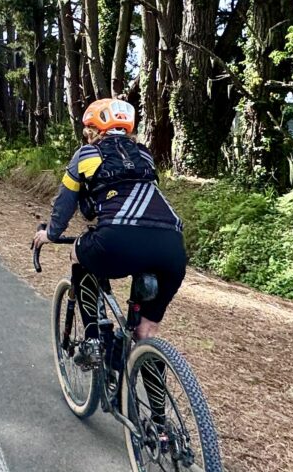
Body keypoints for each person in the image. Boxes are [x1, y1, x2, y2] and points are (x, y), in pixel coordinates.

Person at [30, 98, 187, 347]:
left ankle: (92, 338)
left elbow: (65, 202)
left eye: (87, 130)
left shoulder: (85, 154)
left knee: (78, 253)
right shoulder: (144, 155)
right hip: (172, 247)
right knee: (145, 332)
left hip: (117, 240)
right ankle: (146, 363)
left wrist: (51, 233)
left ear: (94, 129)